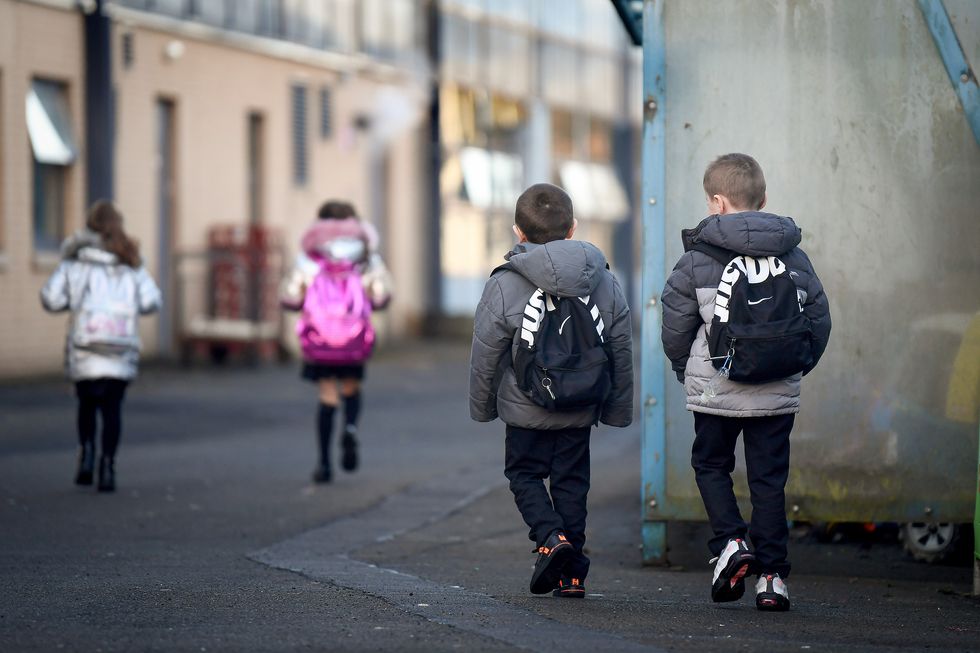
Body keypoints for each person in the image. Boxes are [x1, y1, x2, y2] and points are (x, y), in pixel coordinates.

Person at [660, 153, 831, 611]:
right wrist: (792, 364)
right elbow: (819, 320)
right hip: (776, 391)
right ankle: (773, 579)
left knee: (711, 465)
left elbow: (675, 330)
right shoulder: (794, 255)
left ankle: (732, 543)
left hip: (716, 389)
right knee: (769, 481)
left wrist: (686, 371)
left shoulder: (696, 261)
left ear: (717, 203)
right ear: (764, 199)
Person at [469, 183, 633, 598]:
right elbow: (620, 349)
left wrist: (483, 406)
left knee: (524, 474)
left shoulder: (505, 283)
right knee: (571, 484)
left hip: (525, 405)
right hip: (580, 406)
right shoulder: (603, 279)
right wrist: (616, 409)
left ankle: (550, 537)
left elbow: (486, 353)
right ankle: (572, 575)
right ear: (573, 228)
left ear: (517, 232)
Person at [40, 200, 161, 493]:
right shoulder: (131, 261)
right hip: (119, 347)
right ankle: (108, 466)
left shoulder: (75, 261)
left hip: (85, 345)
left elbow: (51, 298)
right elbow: (151, 301)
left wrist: (77, 300)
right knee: (112, 409)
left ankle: (87, 454)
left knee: (86, 404)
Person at [281, 201, 391, 484]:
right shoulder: (366, 257)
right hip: (353, 340)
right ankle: (351, 427)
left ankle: (324, 464)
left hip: (320, 339)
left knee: (328, 394)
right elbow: (381, 298)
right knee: (352, 388)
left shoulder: (310, 258)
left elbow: (291, 299)